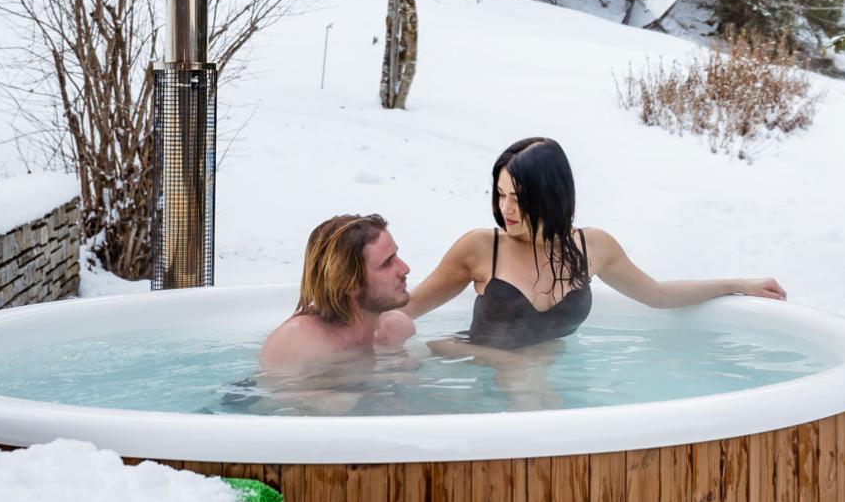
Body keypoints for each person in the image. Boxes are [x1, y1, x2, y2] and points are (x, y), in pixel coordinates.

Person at [399, 137, 784, 401]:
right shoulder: (481, 248)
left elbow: (658, 296)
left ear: (551, 195)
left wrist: (736, 283)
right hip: (475, 367)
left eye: (518, 199)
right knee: (528, 389)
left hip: (542, 369)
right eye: (500, 196)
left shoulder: (593, 247)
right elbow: (407, 310)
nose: (506, 210)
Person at [258, 214, 419, 378]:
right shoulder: (296, 343)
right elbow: (271, 397)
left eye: (396, 256)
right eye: (387, 263)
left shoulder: (398, 328)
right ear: (349, 283)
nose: (405, 269)